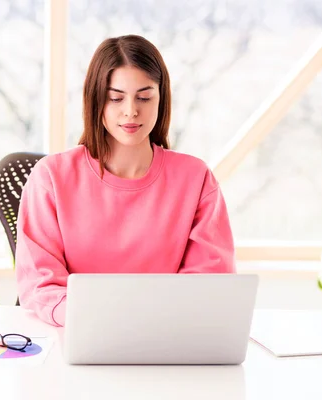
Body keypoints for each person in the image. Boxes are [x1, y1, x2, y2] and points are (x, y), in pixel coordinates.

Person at [14, 34, 235, 327]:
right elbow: (40, 284)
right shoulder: (50, 177)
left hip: (165, 335)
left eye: (144, 97)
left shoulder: (196, 179)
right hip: (78, 333)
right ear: (96, 101)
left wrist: (148, 322)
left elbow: (209, 282)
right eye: (115, 97)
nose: (131, 110)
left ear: (162, 98)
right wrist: (98, 320)